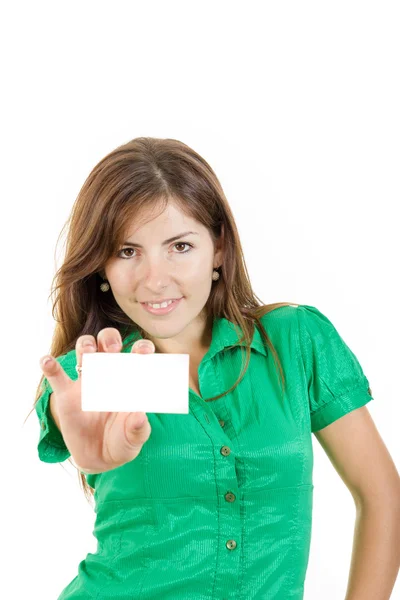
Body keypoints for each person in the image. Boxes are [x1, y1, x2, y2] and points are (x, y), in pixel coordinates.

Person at [28, 137, 400, 599]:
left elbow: (382, 495)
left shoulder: (293, 342)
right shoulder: (97, 368)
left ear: (219, 247)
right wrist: (83, 441)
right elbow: (70, 405)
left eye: (180, 246)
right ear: (101, 267)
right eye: (127, 252)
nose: (156, 279)